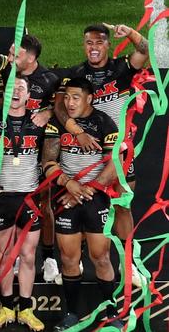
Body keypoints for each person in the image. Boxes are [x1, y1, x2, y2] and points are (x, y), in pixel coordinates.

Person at [55, 23, 148, 287]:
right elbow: (60, 107)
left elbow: (145, 49)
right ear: (83, 45)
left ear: (108, 44)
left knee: (121, 205)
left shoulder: (122, 69)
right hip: (86, 153)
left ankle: (128, 263)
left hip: (118, 151)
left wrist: (130, 33)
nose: (93, 48)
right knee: (81, 203)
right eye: (88, 43)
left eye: (99, 42)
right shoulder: (76, 74)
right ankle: (78, 256)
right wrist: (76, 131)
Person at [45, 78, 123, 330]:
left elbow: (115, 164)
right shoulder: (58, 123)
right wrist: (68, 184)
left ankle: (112, 311)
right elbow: (47, 162)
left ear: (89, 98)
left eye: (76, 97)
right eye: (66, 97)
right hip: (67, 197)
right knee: (68, 258)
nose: (69, 103)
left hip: (95, 197)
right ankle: (72, 314)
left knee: (100, 256)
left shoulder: (104, 122)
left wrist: (88, 188)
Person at [0, 76, 52, 331]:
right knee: (2, 256)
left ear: (28, 96)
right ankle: (4, 307)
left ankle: (25, 308)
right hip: (2, 198)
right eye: (11, 88)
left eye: (21, 89)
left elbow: (62, 105)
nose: (15, 92)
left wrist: (46, 110)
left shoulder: (38, 121)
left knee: (27, 254)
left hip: (28, 197)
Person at [5, 35, 62, 283]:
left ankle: (49, 258)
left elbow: (60, 109)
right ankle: (15, 256)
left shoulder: (50, 79)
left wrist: (49, 110)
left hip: (40, 147)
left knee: (43, 203)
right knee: (11, 201)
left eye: (14, 54)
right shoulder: (6, 74)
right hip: (11, 144)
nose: (9, 58)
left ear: (30, 57)